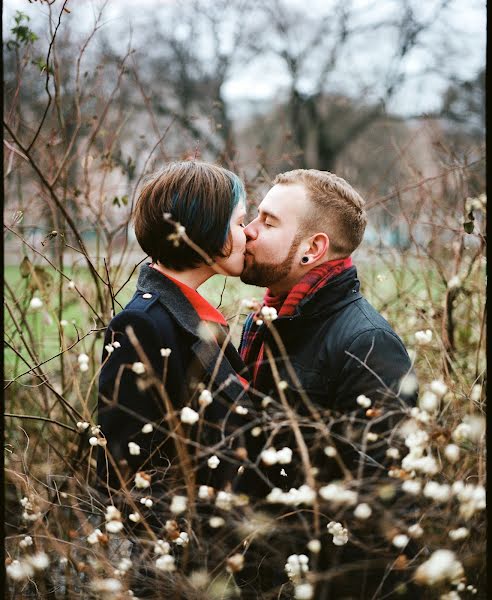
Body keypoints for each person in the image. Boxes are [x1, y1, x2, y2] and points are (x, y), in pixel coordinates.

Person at [234, 169, 418, 599]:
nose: (249, 232)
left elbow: (382, 499)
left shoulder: (367, 343)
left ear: (312, 249)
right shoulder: (264, 322)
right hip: (264, 572)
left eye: (269, 221)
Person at [95, 162, 252, 591]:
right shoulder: (143, 325)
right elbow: (125, 471)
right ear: (210, 231)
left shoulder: (196, 316)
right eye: (240, 222)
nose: (250, 233)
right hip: (174, 568)